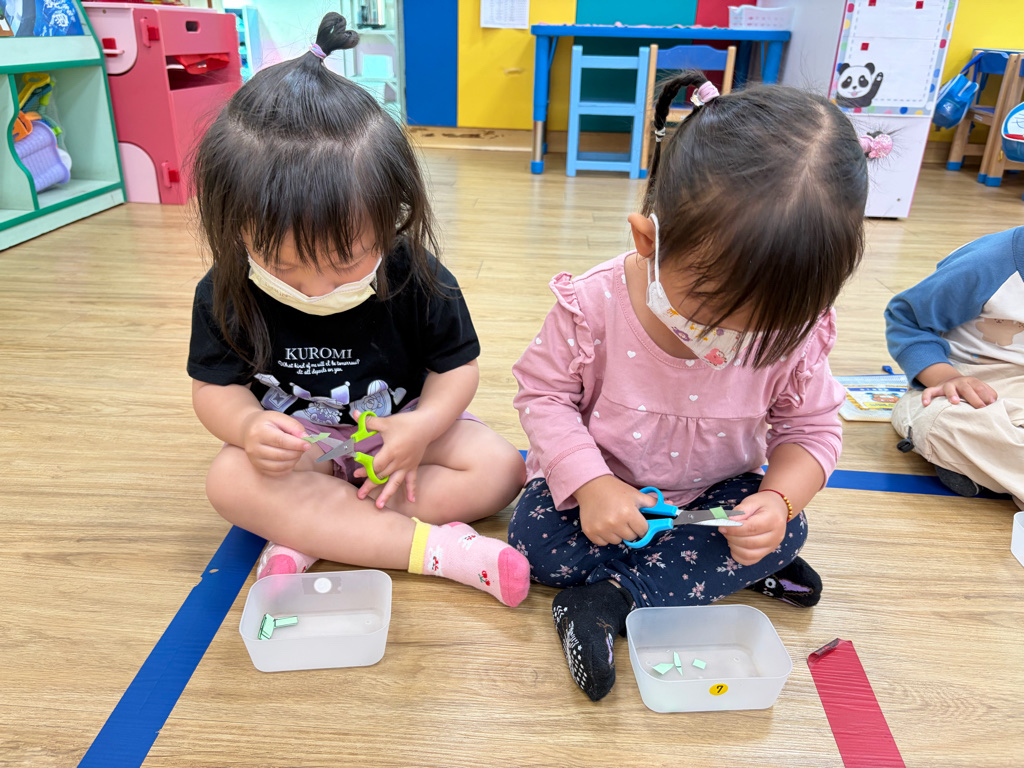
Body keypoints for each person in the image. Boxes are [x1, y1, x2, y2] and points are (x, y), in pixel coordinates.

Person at [510, 73, 872, 700]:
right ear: (649, 241)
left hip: (712, 496)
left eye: (768, 322)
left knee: (788, 528)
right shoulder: (592, 306)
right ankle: (714, 574)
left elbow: (811, 429)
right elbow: (544, 398)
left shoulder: (800, 330)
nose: (733, 338)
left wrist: (778, 502)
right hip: (604, 484)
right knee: (533, 542)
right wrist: (592, 485)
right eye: (711, 306)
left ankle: (611, 598)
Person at [187, 14, 529, 607]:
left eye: (345, 262)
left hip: (400, 432)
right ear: (233, 225)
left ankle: (311, 531)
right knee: (228, 480)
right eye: (284, 264)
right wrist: (246, 428)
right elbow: (215, 388)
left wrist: (422, 427)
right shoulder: (225, 290)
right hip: (305, 451)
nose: (318, 287)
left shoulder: (415, 275)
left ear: (391, 216)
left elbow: (456, 369)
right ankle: (440, 552)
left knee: (502, 471)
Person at [886, 226, 1024, 509]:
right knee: (939, 423)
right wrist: (945, 377)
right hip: (962, 382)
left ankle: (981, 469)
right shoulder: (988, 262)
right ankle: (983, 465)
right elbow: (906, 320)